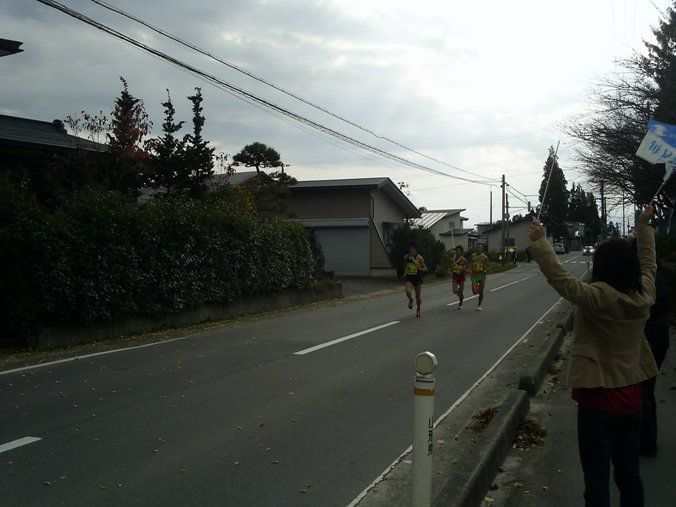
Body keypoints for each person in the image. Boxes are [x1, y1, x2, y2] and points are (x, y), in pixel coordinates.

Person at [528, 206, 658, 507]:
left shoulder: (597, 297)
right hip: (631, 398)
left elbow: (562, 280)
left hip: (596, 400)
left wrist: (540, 242)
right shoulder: (644, 296)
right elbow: (649, 265)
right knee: (629, 475)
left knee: (596, 479)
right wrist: (643, 227)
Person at [640, 258, 669, 457]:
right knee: (647, 389)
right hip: (660, 334)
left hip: (649, 335)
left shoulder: (644, 280)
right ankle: (647, 439)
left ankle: (647, 441)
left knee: (643, 392)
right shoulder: (658, 275)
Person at [403, 241, 427, 318]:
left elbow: (425, 268)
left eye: (413, 249)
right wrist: (405, 271)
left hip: (417, 278)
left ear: (416, 249)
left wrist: (420, 268)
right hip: (409, 277)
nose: (411, 250)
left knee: (418, 297)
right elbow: (405, 266)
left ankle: (418, 309)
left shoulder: (420, 258)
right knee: (408, 291)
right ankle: (410, 299)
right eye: (410, 249)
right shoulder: (406, 257)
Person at [470, 244, 490, 311]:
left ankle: (479, 304)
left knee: (481, 293)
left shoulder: (485, 257)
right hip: (474, 275)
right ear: (476, 249)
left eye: (480, 248)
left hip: (481, 275)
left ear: (482, 249)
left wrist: (485, 270)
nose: (478, 249)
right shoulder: (472, 256)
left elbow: (488, 266)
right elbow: (469, 263)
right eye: (477, 248)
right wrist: (469, 269)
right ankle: (476, 288)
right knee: (475, 292)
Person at [449, 245, 468, 309]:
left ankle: (460, 303)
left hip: (461, 276)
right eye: (456, 251)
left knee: (461, 291)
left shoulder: (464, 260)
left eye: (458, 251)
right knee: (455, 291)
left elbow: (466, 269)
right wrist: (450, 273)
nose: (457, 252)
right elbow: (450, 268)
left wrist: (463, 268)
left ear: (461, 252)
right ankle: (459, 293)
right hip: (455, 276)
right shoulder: (452, 259)